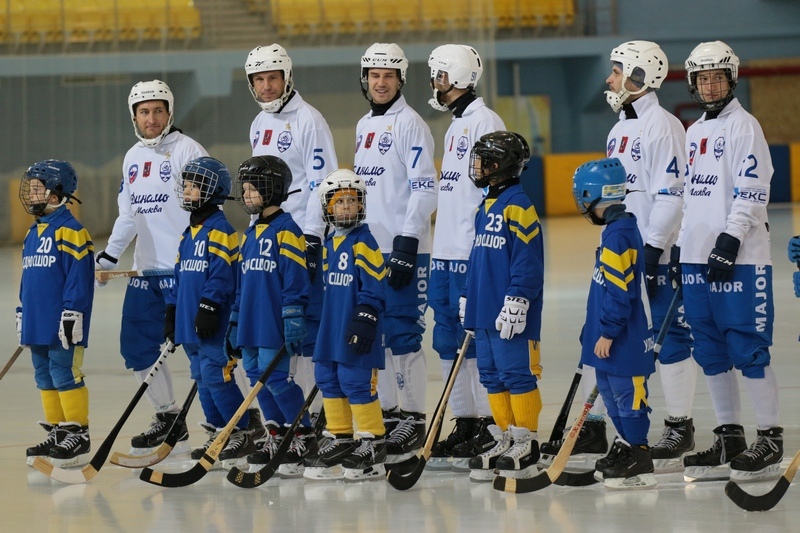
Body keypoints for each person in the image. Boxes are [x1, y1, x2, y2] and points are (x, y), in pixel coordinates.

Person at [543, 41, 695, 469]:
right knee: (604, 335)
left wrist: (652, 250)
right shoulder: (617, 130)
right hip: (620, 252)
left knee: (668, 341)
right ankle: (598, 428)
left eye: (615, 71)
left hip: (653, 254)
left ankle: (680, 425)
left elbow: (670, 198)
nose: (608, 80)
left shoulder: (663, 126)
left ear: (639, 76)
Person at [677, 41, 781, 483]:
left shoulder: (745, 126)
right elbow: (689, 197)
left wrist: (731, 240)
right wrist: (682, 250)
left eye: (718, 76)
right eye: (703, 78)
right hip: (697, 260)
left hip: (739, 259)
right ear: (693, 83)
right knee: (710, 350)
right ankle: (728, 437)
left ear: (731, 78)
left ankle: (770, 438)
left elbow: (754, 187)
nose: (711, 84)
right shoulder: (694, 131)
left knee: (748, 349)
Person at [94, 80, 207, 452]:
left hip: (183, 272)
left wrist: (202, 260)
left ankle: (230, 423)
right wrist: (110, 254)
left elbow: (208, 207)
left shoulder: (188, 150)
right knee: (137, 347)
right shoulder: (131, 157)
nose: (152, 118)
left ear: (170, 112)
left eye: (159, 110)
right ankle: (169, 416)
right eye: (144, 112)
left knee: (201, 351)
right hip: (146, 271)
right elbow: (129, 215)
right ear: (134, 116)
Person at [245, 44, 339, 430]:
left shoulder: (309, 120)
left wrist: (314, 237)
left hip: (300, 241)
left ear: (286, 78)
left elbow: (323, 183)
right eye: (259, 80)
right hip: (265, 243)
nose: (267, 86)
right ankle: (283, 425)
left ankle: (312, 421)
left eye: (273, 78)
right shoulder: (258, 123)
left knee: (300, 334)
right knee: (268, 336)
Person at [354, 42, 438, 465]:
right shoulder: (363, 125)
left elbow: (425, 186)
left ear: (400, 80)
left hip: (404, 249)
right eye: (374, 75)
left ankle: (414, 417)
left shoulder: (411, 124)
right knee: (379, 337)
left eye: (388, 75)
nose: (381, 82)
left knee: (404, 334)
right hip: (370, 250)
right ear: (365, 79)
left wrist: (407, 242)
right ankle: (387, 413)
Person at [424, 44, 506, 471]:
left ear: (453, 78)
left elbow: (492, 192)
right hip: (444, 253)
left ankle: (488, 426)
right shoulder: (456, 125)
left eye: (438, 75)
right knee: (447, 342)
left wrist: (480, 252)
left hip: (471, 254)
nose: (434, 84)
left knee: (476, 342)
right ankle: (466, 422)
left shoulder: (484, 122)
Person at [165, 157, 262, 468]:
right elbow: (180, 275)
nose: (188, 191)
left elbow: (221, 274)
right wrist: (173, 308)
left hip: (212, 320)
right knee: (201, 377)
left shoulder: (219, 229)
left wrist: (209, 306)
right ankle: (219, 430)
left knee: (215, 374)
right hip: (188, 321)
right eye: (187, 186)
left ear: (212, 191)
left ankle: (241, 431)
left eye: (195, 186)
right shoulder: (188, 232)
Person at [460, 131, 543, 482]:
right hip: (484, 309)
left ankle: (527, 441)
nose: (475, 166)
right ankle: (505, 434)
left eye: (482, 160)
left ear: (499, 165)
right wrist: (468, 295)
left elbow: (528, 261)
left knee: (516, 373)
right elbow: (478, 258)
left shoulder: (519, 205)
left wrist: (519, 298)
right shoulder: (485, 205)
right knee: (491, 375)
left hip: (509, 311)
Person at [572, 157, 657, 489]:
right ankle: (624, 444)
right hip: (608, 336)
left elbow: (621, 293)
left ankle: (639, 452)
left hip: (624, 338)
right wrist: (592, 328)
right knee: (609, 391)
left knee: (628, 395)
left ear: (593, 196)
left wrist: (607, 331)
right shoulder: (615, 230)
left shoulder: (619, 235)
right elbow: (603, 287)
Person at [228, 155, 314, 478]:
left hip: (273, 323)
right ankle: (277, 434)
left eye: (254, 189)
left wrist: (293, 315)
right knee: (254, 375)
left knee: (275, 377)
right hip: (251, 322)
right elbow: (242, 283)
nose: (247, 195)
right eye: (245, 189)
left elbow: (295, 277)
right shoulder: (250, 235)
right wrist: (235, 319)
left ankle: (302, 434)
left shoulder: (287, 230)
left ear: (274, 190)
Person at [302, 169, 388, 481]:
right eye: (340, 202)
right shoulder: (330, 244)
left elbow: (375, 285)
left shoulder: (366, 242)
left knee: (355, 381)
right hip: (332, 328)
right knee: (327, 377)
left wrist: (366, 316)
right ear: (327, 208)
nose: (347, 207)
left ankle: (372, 443)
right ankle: (341, 438)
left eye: (353, 200)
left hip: (357, 328)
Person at [18, 160, 94, 467]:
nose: (31, 195)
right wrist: (23, 310)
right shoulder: (32, 233)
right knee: (43, 373)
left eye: (37, 189)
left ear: (55, 194)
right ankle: (57, 429)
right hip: (37, 318)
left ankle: (78, 431)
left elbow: (79, 277)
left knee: (65, 372)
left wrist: (72, 312)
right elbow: (28, 278)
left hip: (62, 319)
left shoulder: (72, 231)